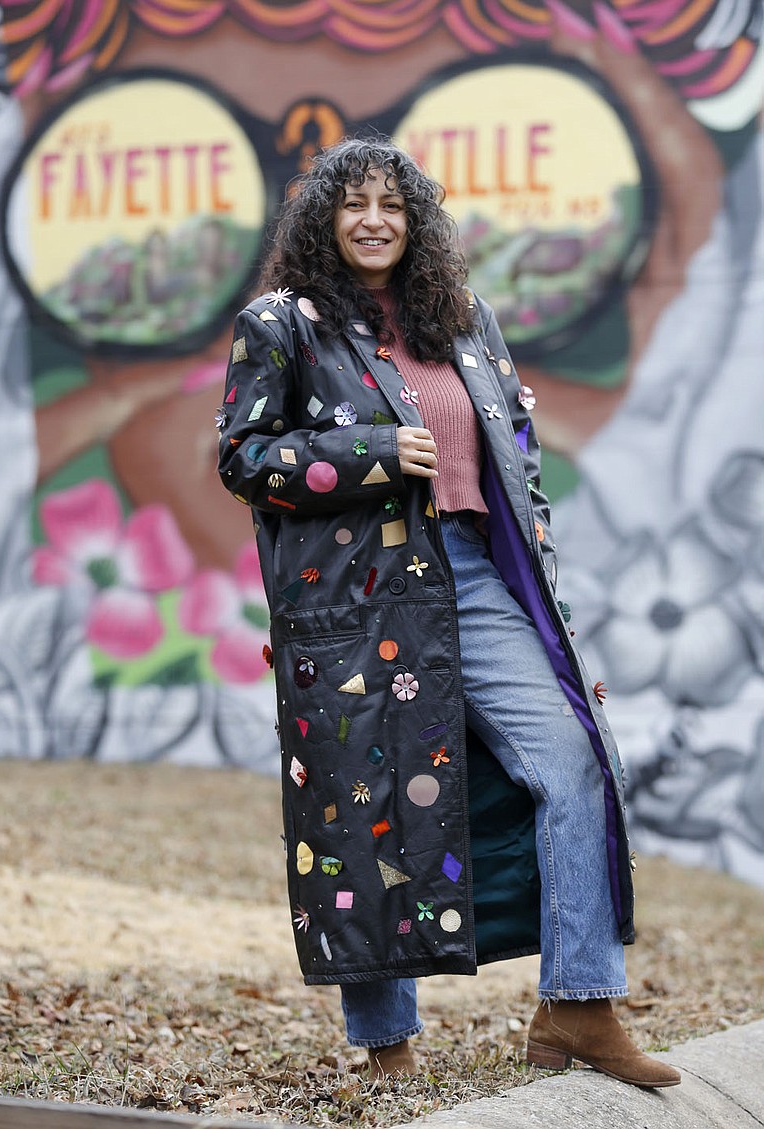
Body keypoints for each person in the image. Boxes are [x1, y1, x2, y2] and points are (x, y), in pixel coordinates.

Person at [216, 137, 680, 1089]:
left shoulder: (462, 319)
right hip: (360, 597)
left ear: (416, 218)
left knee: (574, 762)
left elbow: (519, 460)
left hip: (472, 576)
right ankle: (388, 1052)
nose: (374, 220)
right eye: (353, 204)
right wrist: (371, 452)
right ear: (324, 220)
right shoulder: (283, 324)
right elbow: (243, 457)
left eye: (392, 203)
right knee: (367, 813)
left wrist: (546, 599)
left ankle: (580, 1005)